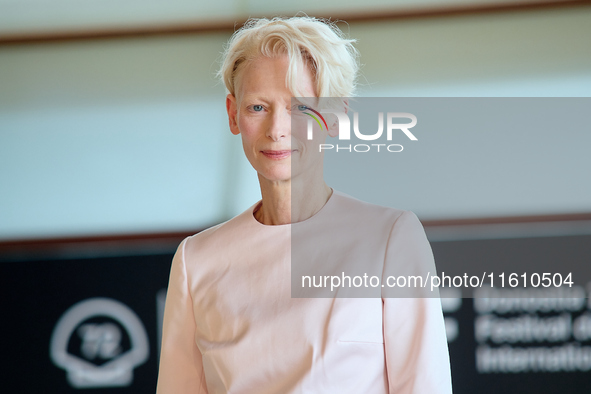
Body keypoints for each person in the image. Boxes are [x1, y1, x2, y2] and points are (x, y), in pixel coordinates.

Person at [156, 16, 452, 393]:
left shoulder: (390, 239)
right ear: (233, 113)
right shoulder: (196, 261)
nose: (277, 128)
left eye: (299, 108)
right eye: (257, 108)